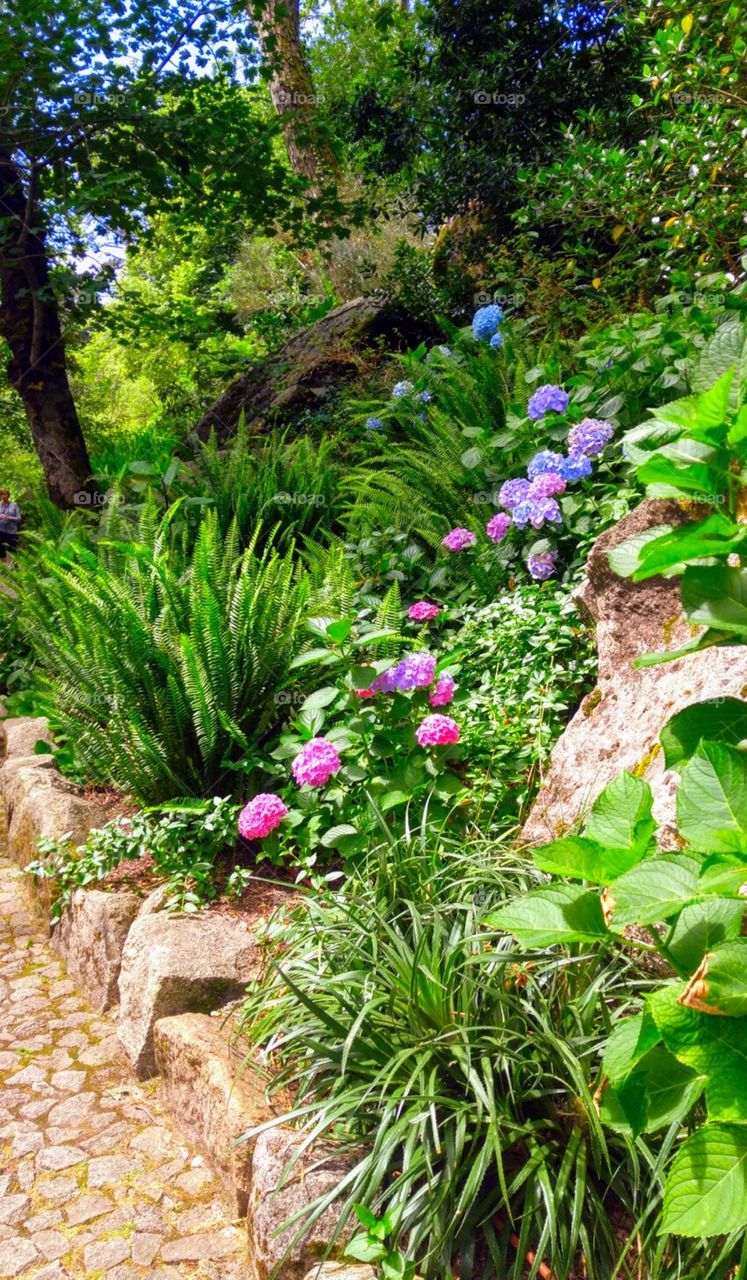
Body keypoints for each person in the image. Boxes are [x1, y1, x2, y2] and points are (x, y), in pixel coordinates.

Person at [0, 489, 20, 559]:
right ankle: (3, 569)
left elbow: (18, 518)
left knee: (12, 551)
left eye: (4, 494)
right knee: (1, 552)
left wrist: (9, 517)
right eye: (1, 494)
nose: (3, 496)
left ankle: (12, 568)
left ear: (8, 495)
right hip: (1, 531)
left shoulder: (14, 505)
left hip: (12, 532)